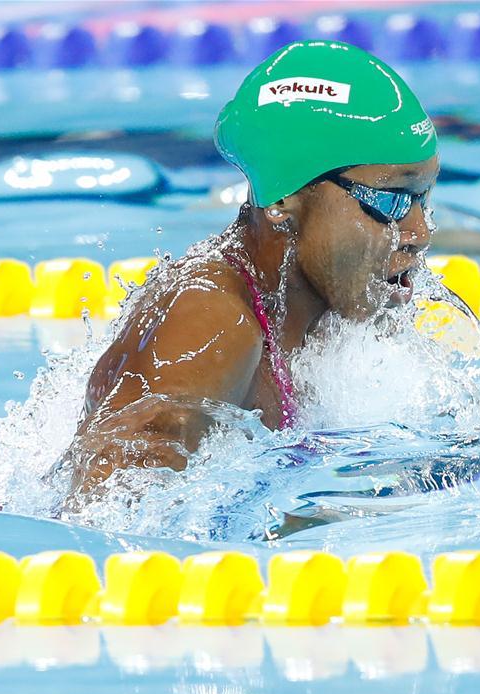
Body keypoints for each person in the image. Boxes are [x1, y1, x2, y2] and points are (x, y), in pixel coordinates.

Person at [66, 40, 440, 499]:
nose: (420, 231)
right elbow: (104, 524)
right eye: (391, 201)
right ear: (283, 200)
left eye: (424, 199)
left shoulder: (326, 310)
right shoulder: (213, 325)